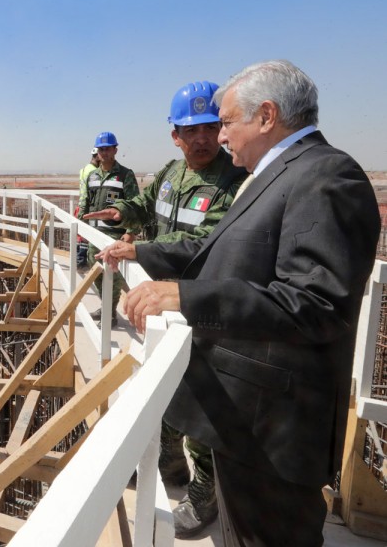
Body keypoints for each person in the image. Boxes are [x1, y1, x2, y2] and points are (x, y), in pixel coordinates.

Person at [98, 60, 380, 546]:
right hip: (248, 422)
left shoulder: (328, 177)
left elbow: (315, 303)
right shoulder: (279, 174)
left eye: (226, 123)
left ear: (266, 116)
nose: (221, 138)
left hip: (275, 430)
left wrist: (186, 294)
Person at [83, 81, 248, 536]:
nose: (200, 138)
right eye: (190, 130)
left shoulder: (235, 181)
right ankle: (169, 464)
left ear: (222, 129)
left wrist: (141, 249)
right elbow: (145, 205)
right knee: (167, 392)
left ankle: (204, 496)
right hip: (160, 306)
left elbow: (205, 241)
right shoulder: (171, 174)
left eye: (210, 127)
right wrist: (121, 213)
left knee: (205, 408)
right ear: (175, 135)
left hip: (202, 310)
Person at [78, 132, 139, 325]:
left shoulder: (125, 175)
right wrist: (81, 225)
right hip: (94, 234)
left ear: (115, 150)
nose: (104, 152)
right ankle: (106, 308)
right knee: (95, 272)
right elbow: (86, 201)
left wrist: (130, 233)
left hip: (114, 235)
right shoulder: (93, 176)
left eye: (108, 148)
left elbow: (135, 206)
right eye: (101, 149)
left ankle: (111, 314)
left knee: (113, 275)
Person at [76, 147, 101, 268]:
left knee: (82, 235)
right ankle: (82, 261)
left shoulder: (84, 169)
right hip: (88, 206)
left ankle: (80, 259)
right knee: (86, 236)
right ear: (96, 156)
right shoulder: (93, 171)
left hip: (81, 204)